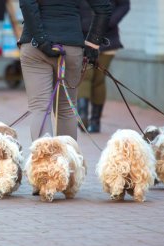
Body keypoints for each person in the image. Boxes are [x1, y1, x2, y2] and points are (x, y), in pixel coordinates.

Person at [18, 0, 112, 141]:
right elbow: (104, 8)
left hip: (35, 47)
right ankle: (67, 159)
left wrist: (41, 40)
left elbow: (27, 4)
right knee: (66, 110)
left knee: (40, 108)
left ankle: (45, 160)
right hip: (70, 46)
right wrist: (92, 43)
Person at [78, 0, 130, 133]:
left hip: (108, 39)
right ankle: (84, 118)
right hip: (83, 37)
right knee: (86, 75)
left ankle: (93, 121)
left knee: (98, 79)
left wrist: (108, 21)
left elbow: (124, 5)